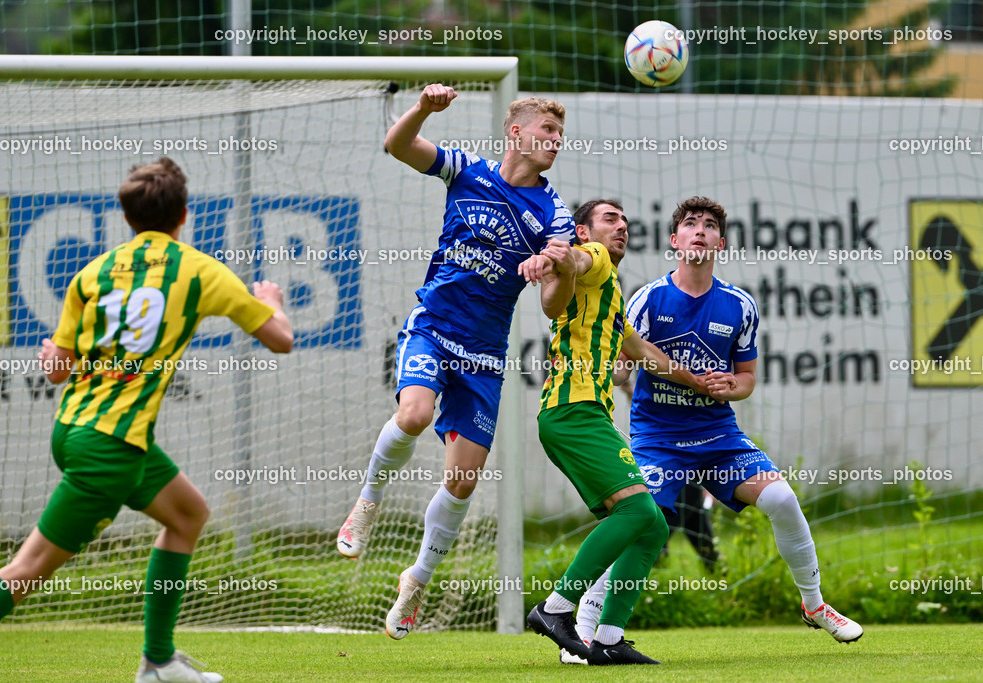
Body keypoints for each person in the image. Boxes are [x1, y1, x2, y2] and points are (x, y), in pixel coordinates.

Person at [0, 157, 295, 682]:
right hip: (109, 448)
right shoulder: (200, 270)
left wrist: (53, 359)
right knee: (25, 572)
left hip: (79, 431)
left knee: (188, 515)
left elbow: (57, 369)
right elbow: (281, 340)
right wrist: (271, 301)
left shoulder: (92, 273)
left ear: (127, 217)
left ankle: (158, 664)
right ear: (185, 213)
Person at [336, 84, 576, 639]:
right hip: (435, 328)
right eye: (547, 131)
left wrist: (557, 267)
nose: (555, 141)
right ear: (516, 132)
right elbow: (397, 147)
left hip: (486, 355)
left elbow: (552, 306)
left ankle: (416, 581)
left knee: (463, 482)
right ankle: (367, 504)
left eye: (560, 135)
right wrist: (421, 107)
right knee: (414, 414)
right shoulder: (467, 170)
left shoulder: (554, 212)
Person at [573, 196, 863, 650]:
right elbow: (625, 359)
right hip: (658, 440)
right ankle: (585, 630)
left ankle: (814, 605)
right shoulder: (649, 299)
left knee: (784, 500)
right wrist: (615, 374)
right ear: (675, 240)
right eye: (691, 224)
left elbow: (748, 379)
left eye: (709, 226)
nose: (700, 231)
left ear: (720, 243)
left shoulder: (739, 306)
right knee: (637, 523)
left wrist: (734, 385)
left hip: (718, 438)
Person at [519, 199, 710, 665]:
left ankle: (607, 637)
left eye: (625, 220)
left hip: (583, 416)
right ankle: (555, 608)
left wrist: (698, 381)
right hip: (574, 412)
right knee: (639, 511)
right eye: (610, 219)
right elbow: (578, 259)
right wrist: (561, 256)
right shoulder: (596, 260)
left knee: (652, 526)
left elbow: (640, 349)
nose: (622, 226)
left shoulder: (607, 293)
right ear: (584, 232)